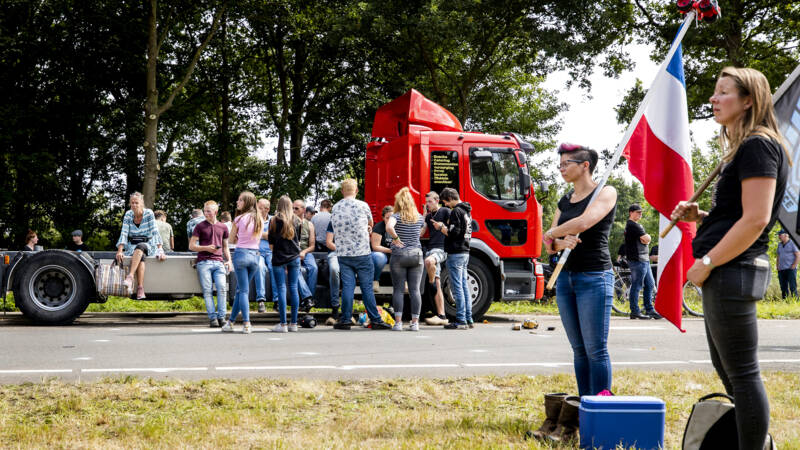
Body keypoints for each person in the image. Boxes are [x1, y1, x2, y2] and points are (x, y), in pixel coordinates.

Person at [671, 67, 788, 449]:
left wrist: (708, 262)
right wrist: (703, 218)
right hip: (728, 270)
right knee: (731, 372)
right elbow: (741, 215)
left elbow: (756, 219)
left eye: (723, 93)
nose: (713, 99)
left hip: (732, 270)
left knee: (742, 374)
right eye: (714, 92)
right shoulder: (747, 147)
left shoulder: (758, 145)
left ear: (749, 100)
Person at [542, 143, 617, 397]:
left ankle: (602, 406)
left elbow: (584, 222)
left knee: (596, 349)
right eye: (560, 164)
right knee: (578, 349)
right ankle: (584, 404)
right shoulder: (565, 200)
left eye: (566, 164)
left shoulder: (606, 192)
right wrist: (560, 241)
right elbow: (550, 246)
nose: (561, 168)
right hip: (566, 279)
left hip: (594, 277)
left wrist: (552, 233)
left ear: (585, 165)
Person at [329, 178, 391, 330]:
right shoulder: (363, 205)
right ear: (356, 191)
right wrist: (367, 229)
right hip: (362, 253)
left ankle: (345, 319)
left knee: (348, 288)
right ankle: (375, 319)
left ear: (342, 191)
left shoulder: (335, 208)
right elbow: (370, 224)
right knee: (366, 288)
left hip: (343, 254)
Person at [222, 191, 263, 334]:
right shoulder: (259, 219)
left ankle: (247, 323)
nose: (237, 202)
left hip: (241, 254)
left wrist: (240, 237)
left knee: (243, 291)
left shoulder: (239, 219)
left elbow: (231, 240)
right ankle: (231, 322)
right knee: (241, 290)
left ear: (246, 203)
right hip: (256, 256)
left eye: (240, 200)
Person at [434, 187, 474, 329]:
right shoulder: (467, 211)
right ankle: (468, 318)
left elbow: (454, 232)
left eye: (445, 202)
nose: (445, 205)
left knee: (457, 288)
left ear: (450, 199)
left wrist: (441, 228)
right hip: (465, 251)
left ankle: (461, 320)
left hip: (456, 252)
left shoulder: (456, 211)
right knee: (464, 286)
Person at [386, 188, 425, 331]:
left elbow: (389, 227)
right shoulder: (419, 217)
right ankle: (415, 323)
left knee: (398, 290)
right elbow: (421, 231)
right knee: (415, 290)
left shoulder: (395, 216)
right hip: (416, 255)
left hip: (399, 255)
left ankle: (398, 323)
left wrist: (396, 238)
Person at [116, 192, 166, 300]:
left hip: (148, 244)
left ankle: (130, 277)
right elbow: (124, 233)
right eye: (132, 203)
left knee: (141, 247)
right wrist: (120, 250)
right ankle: (140, 288)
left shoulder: (148, 213)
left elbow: (154, 231)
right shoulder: (128, 215)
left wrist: (160, 249)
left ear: (142, 203)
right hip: (132, 246)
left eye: (136, 203)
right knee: (141, 257)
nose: (134, 205)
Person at [190, 201, 232, 327]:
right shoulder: (200, 226)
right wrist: (206, 248)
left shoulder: (223, 227)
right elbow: (191, 246)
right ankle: (212, 318)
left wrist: (229, 260)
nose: (206, 213)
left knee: (222, 289)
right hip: (204, 262)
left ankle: (222, 317)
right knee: (207, 291)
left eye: (208, 211)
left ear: (216, 212)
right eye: (205, 211)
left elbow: (225, 247)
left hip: (219, 262)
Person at [269, 195, 303, 333]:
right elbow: (298, 241)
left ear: (278, 205)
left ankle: (283, 324)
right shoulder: (298, 220)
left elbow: (271, 244)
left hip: (278, 258)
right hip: (294, 257)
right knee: (294, 288)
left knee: (281, 288)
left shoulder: (274, 220)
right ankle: (293, 323)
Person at [625, 204, 660, 320]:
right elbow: (647, 239)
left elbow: (646, 239)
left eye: (641, 212)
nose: (640, 214)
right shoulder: (632, 225)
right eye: (638, 212)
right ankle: (635, 311)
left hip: (644, 259)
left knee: (650, 285)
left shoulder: (636, 225)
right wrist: (647, 238)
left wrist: (646, 239)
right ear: (631, 212)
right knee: (637, 285)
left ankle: (650, 309)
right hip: (637, 259)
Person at [421, 192, 450, 325]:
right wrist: (423, 217)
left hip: (442, 249)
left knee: (429, 261)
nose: (428, 204)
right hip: (431, 250)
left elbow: (452, 228)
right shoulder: (428, 217)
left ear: (437, 200)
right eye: (426, 202)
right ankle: (442, 316)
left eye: (430, 201)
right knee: (438, 283)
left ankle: (430, 283)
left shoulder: (445, 211)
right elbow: (421, 233)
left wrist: (442, 226)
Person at [255, 198, 279, 313]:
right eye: (257, 208)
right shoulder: (254, 220)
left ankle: (277, 300)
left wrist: (260, 234)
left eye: (260, 208)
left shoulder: (273, 220)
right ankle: (261, 300)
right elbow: (251, 235)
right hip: (257, 252)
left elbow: (275, 236)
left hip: (271, 252)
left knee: (274, 267)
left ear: (267, 209)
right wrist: (267, 235)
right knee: (259, 268)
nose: (257, 210)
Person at [293, 199, 318, 302]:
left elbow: (312, 246)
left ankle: (308, 300)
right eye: (292, 208)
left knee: (314, 268)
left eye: (296, 208)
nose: (293, 210)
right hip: (292, 252)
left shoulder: (310, 225)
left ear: (303, 210)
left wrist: (303, 252)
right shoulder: (289, 223)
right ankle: (307, 298)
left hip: (306, 252)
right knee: (295, 268)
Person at [370, 205, 394, 292]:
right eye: (387, 218)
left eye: (392, 218)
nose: (390, 220)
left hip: (396, 254)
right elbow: (375, 246)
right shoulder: (379, 227)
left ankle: (405, 282)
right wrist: (390, 250)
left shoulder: (399, 227)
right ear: (383, 217)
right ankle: (375, 280)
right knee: (378, 257)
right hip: (383, 254)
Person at [776, 230, 799, 298]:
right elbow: (778, 256)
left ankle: (795, 301)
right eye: (779, 235)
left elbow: (798, 255)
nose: (779, 236)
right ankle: (785, 301)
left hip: (790, 269)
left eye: (780, 235)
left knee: (792, 287)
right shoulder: (779, 244)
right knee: (783, 287)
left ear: (786, 235)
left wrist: (794, 265)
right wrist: (777, 266)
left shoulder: (792, 243)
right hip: (781, 269)